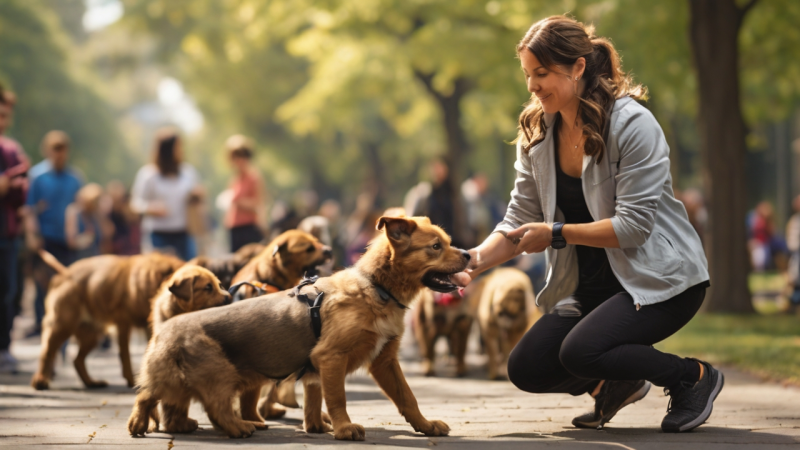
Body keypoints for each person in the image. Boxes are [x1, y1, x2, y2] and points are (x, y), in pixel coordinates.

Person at [451, 16, 717, 433]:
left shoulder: (632, 124)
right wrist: (471, 261)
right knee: (527, 368)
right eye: (527, 75)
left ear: (577, 67)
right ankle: (617, 381)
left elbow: (632, 228)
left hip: (661, 282)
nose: (532, 86)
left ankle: (692, 377)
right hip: (593, 287)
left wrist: (556, 233)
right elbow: (519, 219)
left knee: (579, 351)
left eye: (542, 73)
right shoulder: (539, 133)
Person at [24, 131, 83, 336]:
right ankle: (41, 324)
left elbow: (79, 208)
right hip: (45, 238)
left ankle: (64, 324)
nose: (59, 154)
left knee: (67, 283)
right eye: (55, 149)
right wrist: (33, 234)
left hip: (66, 240)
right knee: (42, 284)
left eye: (62, 150)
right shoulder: (37, 176)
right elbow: (29, 208)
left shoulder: (74, 178)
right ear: (48, 150)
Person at [130, 128, 202, 261]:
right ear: (167, 149)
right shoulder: (148, 174)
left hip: (184, 234)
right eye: (178, 146)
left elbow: (197, 198)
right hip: (158, 236)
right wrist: (150, 208)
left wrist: (196, 196)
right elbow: (135, 204)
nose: (181, 150)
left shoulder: (188, 172)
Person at [0, 87, 29, 372]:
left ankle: (4, 348)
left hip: (6, 233)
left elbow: (21, 191)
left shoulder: (11, 150)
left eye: (5, 116)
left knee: (7, 292)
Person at [222, 134, 266, 252]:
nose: (237, 161)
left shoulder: (254, 177)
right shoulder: (234, 179)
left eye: (241, 156)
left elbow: (258, 203)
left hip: (249, 228)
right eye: (234, 157)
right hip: (234, 228)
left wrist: (239, 202)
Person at [65, 183, 104, 260]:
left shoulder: (95, 214)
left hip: (95, 258)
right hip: (78, 259)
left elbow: (108, 233)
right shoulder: (73, 212)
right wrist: (86, 239)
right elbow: (71, 242)